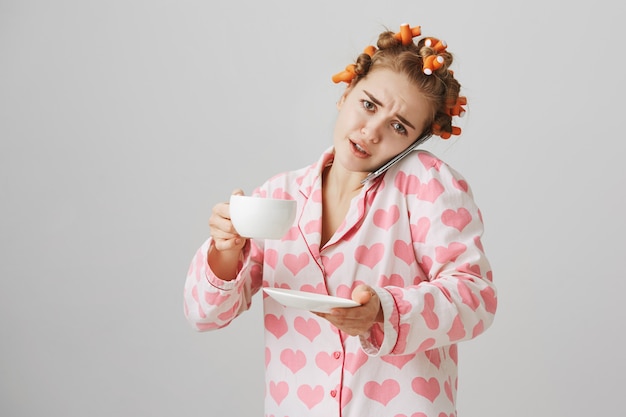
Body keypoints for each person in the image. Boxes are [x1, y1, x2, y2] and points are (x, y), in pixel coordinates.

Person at [184, 22, 497, 417]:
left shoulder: (426, 184)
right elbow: (203, 314)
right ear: (346, 93)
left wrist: (383, 310)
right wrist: (225, 251)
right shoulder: (278, 196)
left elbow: (476, 297)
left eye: (398, 127)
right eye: (368, 105)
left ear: (414, 141)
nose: (371, 131)